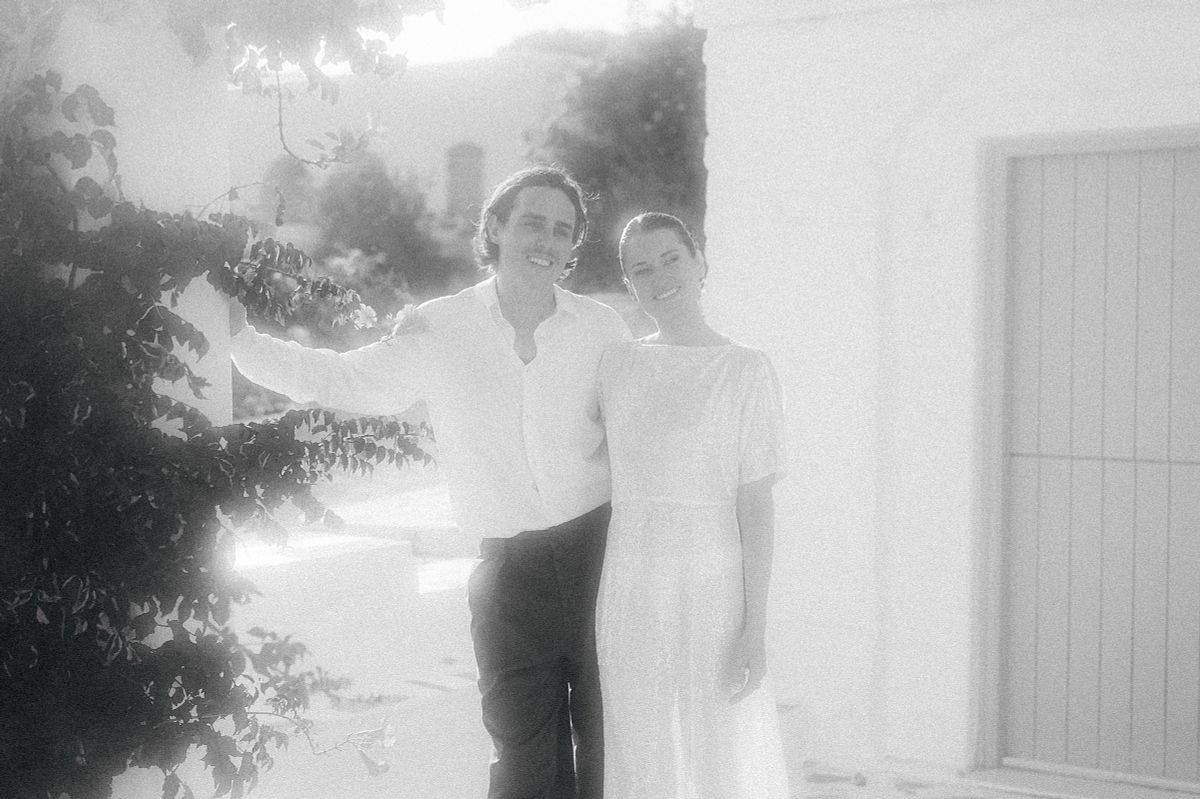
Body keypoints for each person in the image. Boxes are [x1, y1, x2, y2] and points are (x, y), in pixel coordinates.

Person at [228, 166, 629, 799]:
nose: (547, 241)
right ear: (494, 228)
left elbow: (645, 433)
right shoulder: (442, 327)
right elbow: (344, 379)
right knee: (523, 762)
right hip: (511, 575)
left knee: (613, 748)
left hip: (603, 561)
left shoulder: (603, 329)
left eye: (562, 230)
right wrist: (240, 341)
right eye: (532, 223)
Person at [594, 212, 789, 798]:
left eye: (671, 259)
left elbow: (755, 506)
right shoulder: (617, 364)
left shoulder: (744, 368)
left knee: (718, 747)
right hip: (631, 579)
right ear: (629, 284)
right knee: (639, 745)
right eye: (641, 270)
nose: (659, 278)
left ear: (700, 261)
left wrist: (754, 628)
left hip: (712, 585)